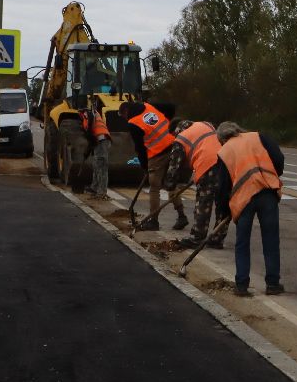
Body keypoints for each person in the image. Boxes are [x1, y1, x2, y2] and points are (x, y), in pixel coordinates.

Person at [211, 121, 284, 297]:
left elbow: (221, 187)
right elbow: (279, 159)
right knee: (271, 239)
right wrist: (272, 176)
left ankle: (241, 285)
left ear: (221, 138)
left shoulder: (224, 151)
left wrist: (224, 211)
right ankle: (273, 284)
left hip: (243, 199)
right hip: (267, 193)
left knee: (242, 242)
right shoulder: (259, 136)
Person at [120, 98, 187, 231]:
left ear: (126, 111)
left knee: (154, 187)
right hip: (173, 146)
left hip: (157, 154)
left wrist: (145, 167)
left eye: (123, 116)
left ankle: (153, 221)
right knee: (171, 183)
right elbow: (171, 106)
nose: (124, 119)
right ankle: (181, 216)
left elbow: (140, 148)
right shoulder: (149, 106)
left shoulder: (133, 123)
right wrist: (168, 123)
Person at [170, 119, 226, 249]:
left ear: (177, 130)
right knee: (222, 202)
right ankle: (217, 238)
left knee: (203, 203)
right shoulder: (206, 124)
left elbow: (174, 166)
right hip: (226, 162)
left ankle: (197, 237)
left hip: (207, 166)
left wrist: (170, 184)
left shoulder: (181, 137)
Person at [84, 97, 112, 199]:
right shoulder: (92, 113)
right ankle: (94, 187)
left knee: (101, 166)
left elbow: (90, 134)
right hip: (100, 140)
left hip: (102, 140)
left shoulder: (87, 115)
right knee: (96, 164)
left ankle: (101, 192)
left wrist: (87, 150)